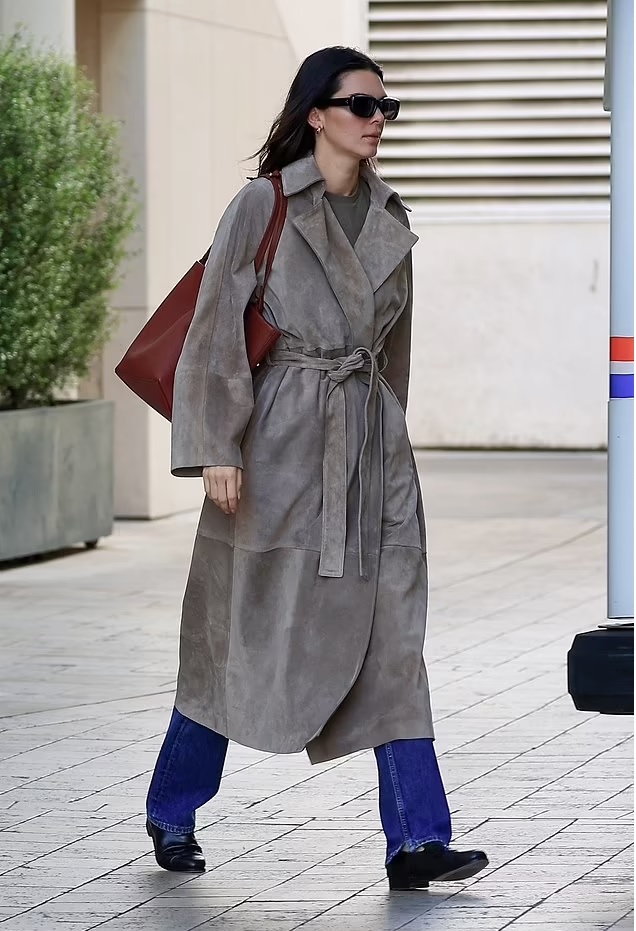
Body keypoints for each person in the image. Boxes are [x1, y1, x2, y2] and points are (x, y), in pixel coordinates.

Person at [145, 46, 488, 892]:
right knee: (241, 636)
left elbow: (393, 353)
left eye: (386, 108)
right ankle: (173, 806)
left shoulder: (390, 215)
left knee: (392, 640)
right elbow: (215, 328)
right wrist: (216, 445)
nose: (378, 121)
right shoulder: (262, 205)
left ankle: (417, 839)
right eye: (362, 105)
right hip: (277, 451)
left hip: (371, 457)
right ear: (317, 114)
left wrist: (390, 435)